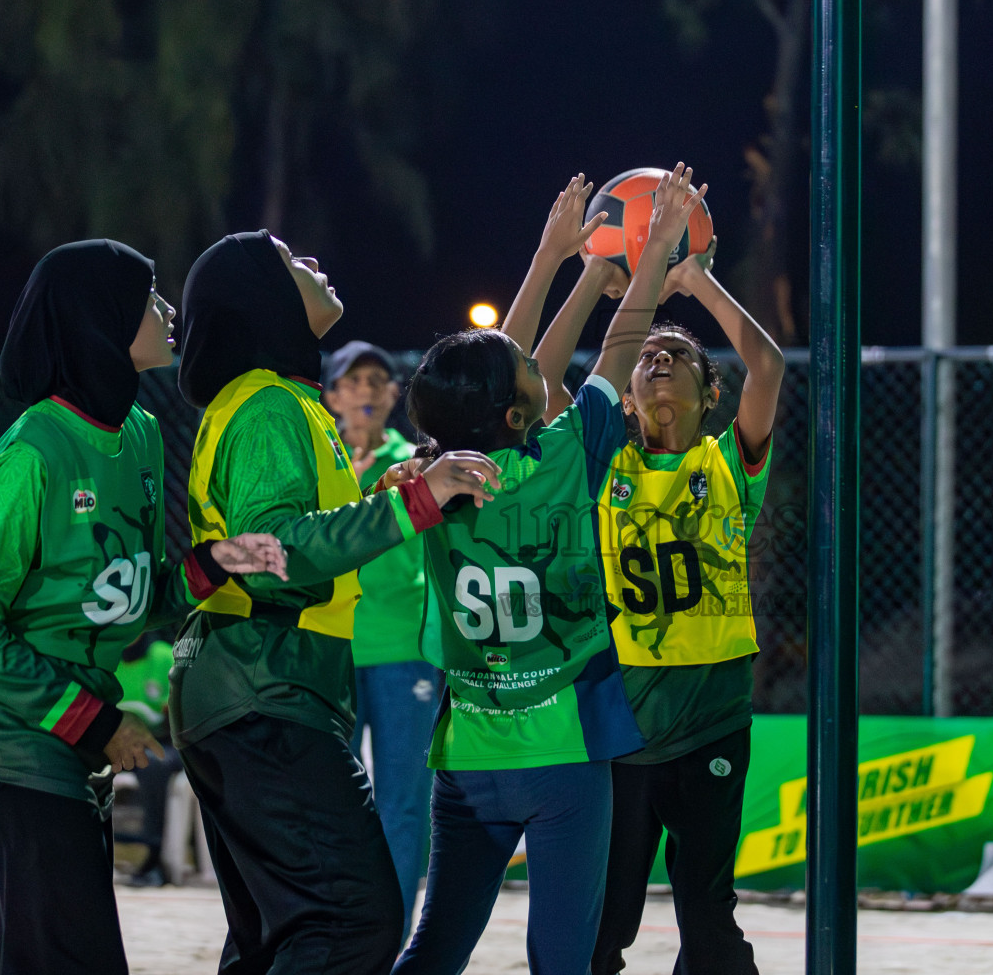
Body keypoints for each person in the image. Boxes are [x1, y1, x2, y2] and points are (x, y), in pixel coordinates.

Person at [0, 239, 289, 975]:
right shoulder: (36, 452)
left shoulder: (140, 435)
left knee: (42, 951)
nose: (167, 310)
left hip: (71, 735)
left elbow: (132, 592)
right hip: (15, 736)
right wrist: (95, 721)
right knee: (73, 953)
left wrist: (214, 563)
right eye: (148, 297)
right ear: (101, 319)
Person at [391, 165, 706, 975]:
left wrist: (556, 258)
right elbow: (621, 342)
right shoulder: (565, 459)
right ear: (517, 412)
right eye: (530, 379)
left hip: (468, 757)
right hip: (562, 757)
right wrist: (651, 255)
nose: (541, 370)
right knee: (561, 960)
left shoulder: (430, 479)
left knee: (434, 948)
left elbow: (514, 367)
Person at [169, 230, 501, 975]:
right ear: (264, 298)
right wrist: (414, 501)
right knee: (353, 920)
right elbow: (269, 551)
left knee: (276, 932)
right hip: (264, 686)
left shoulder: (279, 402)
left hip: (253, 685)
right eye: (292, 262)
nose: (315, 263)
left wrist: (376, 496)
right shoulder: (267, 406)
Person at [581, 237, 784, 975]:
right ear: (627, 395)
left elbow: (769, 365)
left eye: (681, 356)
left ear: (711, 394)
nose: (660, 359)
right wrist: (633, 288)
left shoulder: (726, 461)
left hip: (712, 716)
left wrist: (697, 281)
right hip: (624, 723)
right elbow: (579, 382)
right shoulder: (604, 461)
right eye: (648, 356)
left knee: (705, 909)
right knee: (608, 911)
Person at [322, 338, 440, 945]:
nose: (366, 390)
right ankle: (337, 928)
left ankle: (386, 937)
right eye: (353, 380)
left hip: (402, 649)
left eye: (377, 380)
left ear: (396, 394)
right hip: (332, 648)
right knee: (331, 798)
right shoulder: (321, 460)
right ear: (332, 395)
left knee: (403, 802)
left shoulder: (420, 461)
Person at [115, 632, 185, 887]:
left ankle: (153, 859)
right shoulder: (105, 656)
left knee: (154, 763)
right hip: (113, 746)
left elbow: (179, 717)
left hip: (162, 744)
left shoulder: (164, 656)